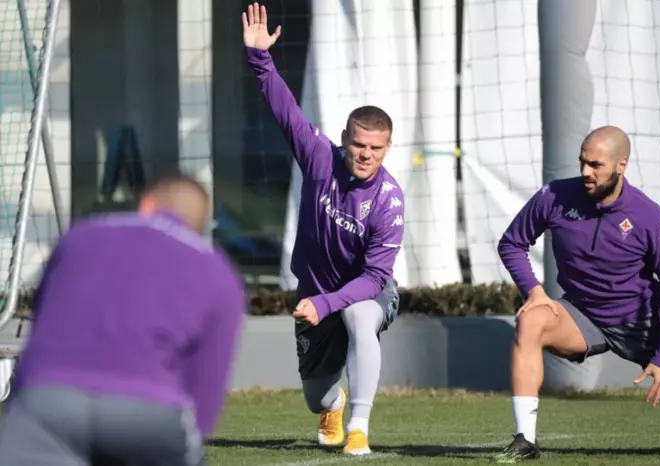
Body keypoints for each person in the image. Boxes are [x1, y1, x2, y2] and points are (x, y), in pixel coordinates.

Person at [242, 2, 405, 456]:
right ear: (345, 139)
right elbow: (286, 111)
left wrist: (328, 303)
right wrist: (259, 58)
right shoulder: (319, 157)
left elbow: (374, 277)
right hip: (313, 294)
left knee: (360, 316)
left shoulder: (389, 201)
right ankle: (334, 406)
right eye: (359, 144)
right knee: (316, 396)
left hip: (367, 293)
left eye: (376, 148)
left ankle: (359, 428)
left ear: (388, 147)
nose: (366, 154)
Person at [0, 174, 248, 466]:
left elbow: (41, 326)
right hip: (149, 412)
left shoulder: (79, 237)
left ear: (146, 204)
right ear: (200, 225)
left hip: (47, 399)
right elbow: (205, 397)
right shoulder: (219, 273)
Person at [492, 125, 660, 462]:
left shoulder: (650, 216)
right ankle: (525, 440)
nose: (586, 172)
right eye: (582, 162)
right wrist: (534, 291)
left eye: (596, 165)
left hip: (644, 323)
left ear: (621, 165)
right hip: (583, 316)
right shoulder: (554, 196)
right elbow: (512, 243)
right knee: (531, 320)